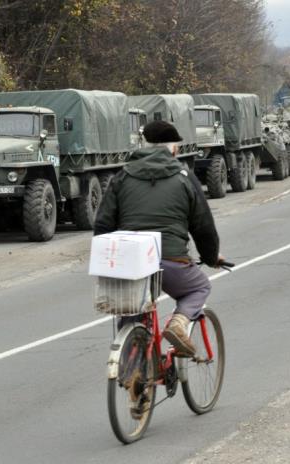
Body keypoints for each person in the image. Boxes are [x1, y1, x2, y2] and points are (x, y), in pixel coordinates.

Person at [93, 120, 224, 356]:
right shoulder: (185, 176)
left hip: (132, 263)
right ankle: (179, 324)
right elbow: (203, 226)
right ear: (173, 148)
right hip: (172, 260)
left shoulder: (122, 176)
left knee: (131, 308)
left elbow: (103, 224)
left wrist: (110, 263)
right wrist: (211, 256)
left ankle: (131, 363)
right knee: (199, 287)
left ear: (143, 145)